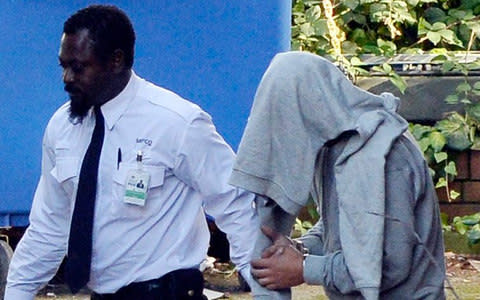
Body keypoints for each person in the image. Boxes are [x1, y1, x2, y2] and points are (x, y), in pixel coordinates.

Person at [5, 5, 257, 299]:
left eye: (78, 67)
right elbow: (50, 225)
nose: (66, 78)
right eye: (63, 65)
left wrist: (265, 291)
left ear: (116, 60)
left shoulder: (177, 122)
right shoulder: (63, 127)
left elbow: (236, 206)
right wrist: (16, 293)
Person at [229, 51, 446, 299]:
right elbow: (349, 225)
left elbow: (387, 262)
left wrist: (303, 268)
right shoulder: (334, 146)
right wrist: (299, 248)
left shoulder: (385, 156)